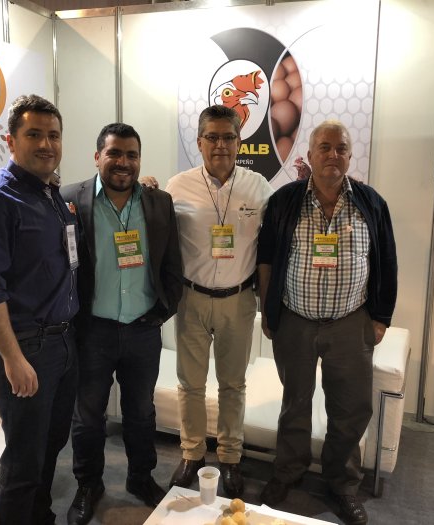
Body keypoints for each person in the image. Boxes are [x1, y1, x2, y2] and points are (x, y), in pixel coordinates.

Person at [256, 120, 397, 525]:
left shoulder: (371, 203)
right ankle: (288, 472)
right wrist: (269, 311)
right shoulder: (284, 201)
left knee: (351, 409)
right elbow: (266, 260)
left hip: (350, 323)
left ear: (350, 155)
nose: (333, 155)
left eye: (341, 148)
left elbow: (387, 262)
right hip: (295, 322)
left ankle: (343, 484)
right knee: (295, 403)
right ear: (310, 154)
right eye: (325, 147)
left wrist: (381, 318)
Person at [0, 94, 79, 525]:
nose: (46, 144)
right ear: (11, 141)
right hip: (26, 348)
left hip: (63, 344)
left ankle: (40, 517)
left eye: (54, 135)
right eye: (34, 134)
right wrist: (13, 358)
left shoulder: (51, 195)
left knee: (51, 446)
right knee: (24, 461)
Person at [61, 123, 183, 524]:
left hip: (142, 329)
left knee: (141, 413)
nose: (123, 162)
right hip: (91, 330)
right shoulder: (69, 200)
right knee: (88, 415)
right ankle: (88, 484)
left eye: (132, 155)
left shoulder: (158, 202)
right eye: (114, 153)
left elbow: (172, 264)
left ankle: (140, 477)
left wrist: (161, 312)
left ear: (139, 160)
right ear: (97, 156)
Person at [165, 105, 274, 498]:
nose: (221, 145)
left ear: (239, 142)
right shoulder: (177, 187)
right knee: (190, 384)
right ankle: (192, 454)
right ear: (199, 142)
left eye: (229, 137)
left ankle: (230, 457)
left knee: (233, 384)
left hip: (238, 300)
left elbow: (273, 243)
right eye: (212, 137)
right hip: (191, 300)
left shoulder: (259, 188)